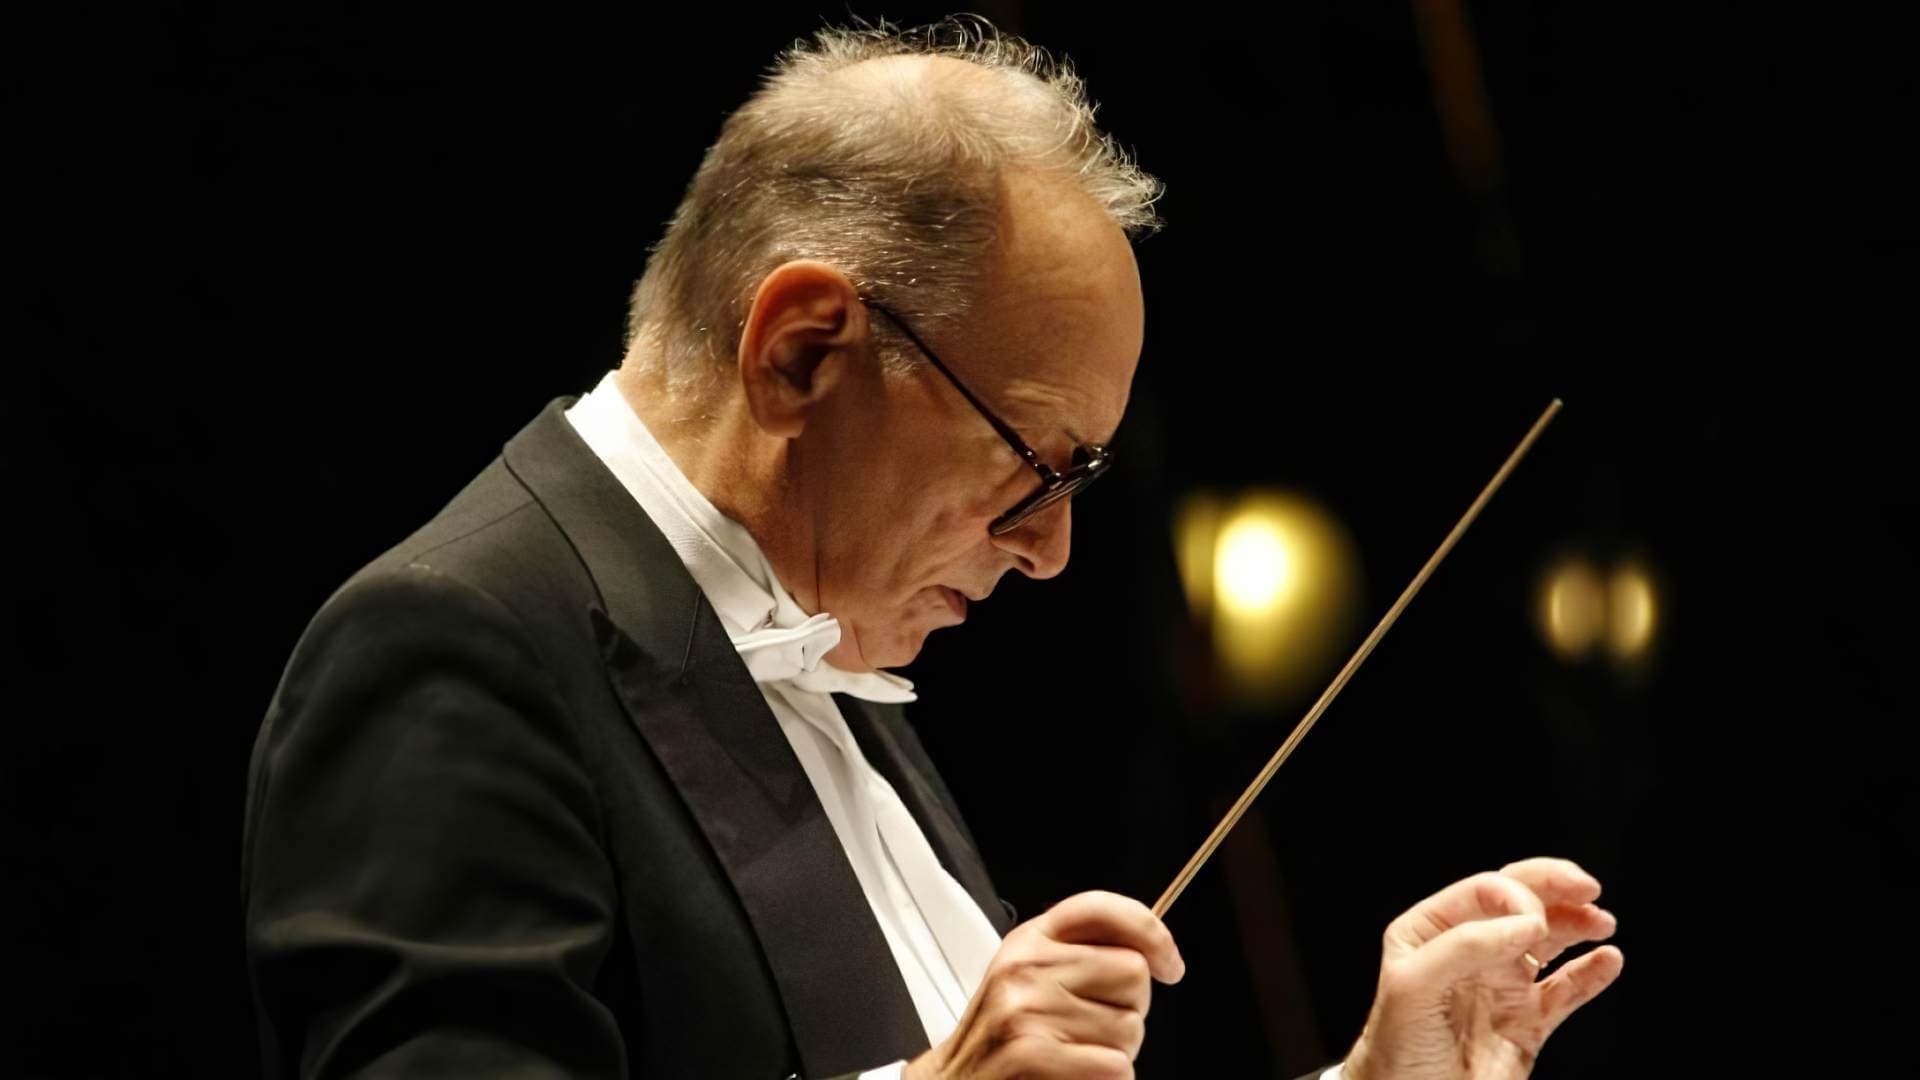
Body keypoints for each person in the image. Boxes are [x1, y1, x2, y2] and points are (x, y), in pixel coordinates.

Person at [241, 18, 1622, 1079]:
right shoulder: (454, 647)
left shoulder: (823, 628)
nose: (1053, 550)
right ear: (803, 353)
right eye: (1036, 463)